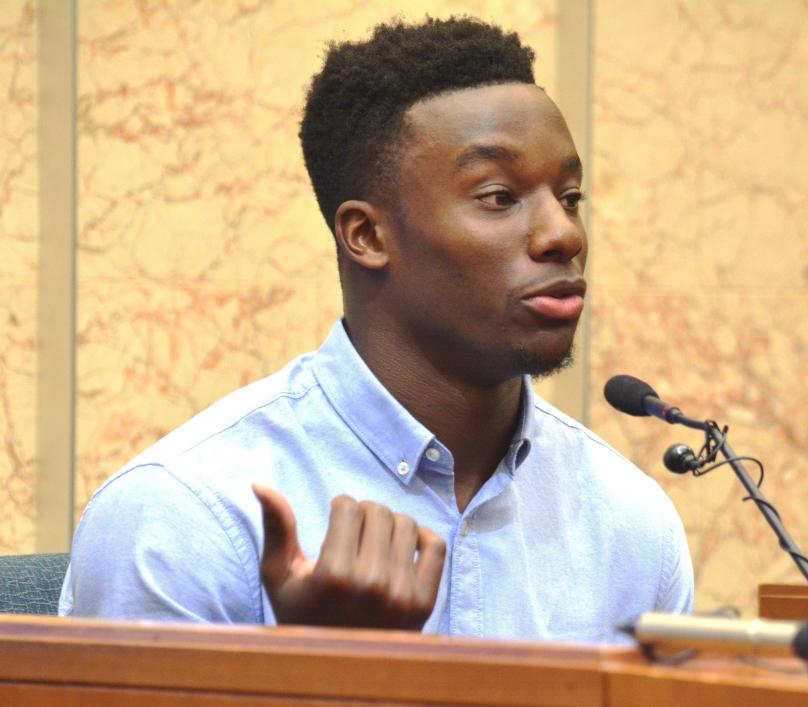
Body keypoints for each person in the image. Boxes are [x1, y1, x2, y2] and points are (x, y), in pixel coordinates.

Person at [59, 16, 694, 643]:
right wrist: (331, 674)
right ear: (367, 236)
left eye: (570, 196)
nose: (564, 234)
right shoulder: (183, 514)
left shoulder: (631, 524)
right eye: (499, 197)